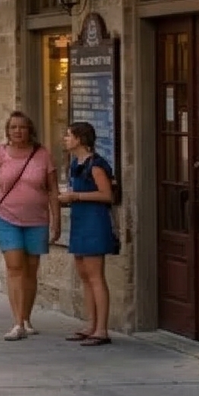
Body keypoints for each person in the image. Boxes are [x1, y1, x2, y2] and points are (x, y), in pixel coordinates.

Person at [0, 111, 59, 341]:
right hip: (6, 218)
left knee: (31, 269)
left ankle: (26, 318)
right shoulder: (0, 153)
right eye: (13, 127)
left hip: (37, 219)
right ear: (7, 131)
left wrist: (57, 221)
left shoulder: (42, 154)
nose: (18, 131)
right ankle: (17, 322)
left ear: (30, 130)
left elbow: (53, 189)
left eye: (22, 127)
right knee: (15, 267)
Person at [59, 121, 117, 346]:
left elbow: (106, 195)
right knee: (84, 275)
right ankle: (90, 323)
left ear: (80, 139)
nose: (65, 139)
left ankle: (101, 329)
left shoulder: (95, 165)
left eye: (69, 135)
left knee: (95, 276)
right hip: (80, 221)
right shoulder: (76, 163)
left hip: (94, 222)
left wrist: (76, 197)